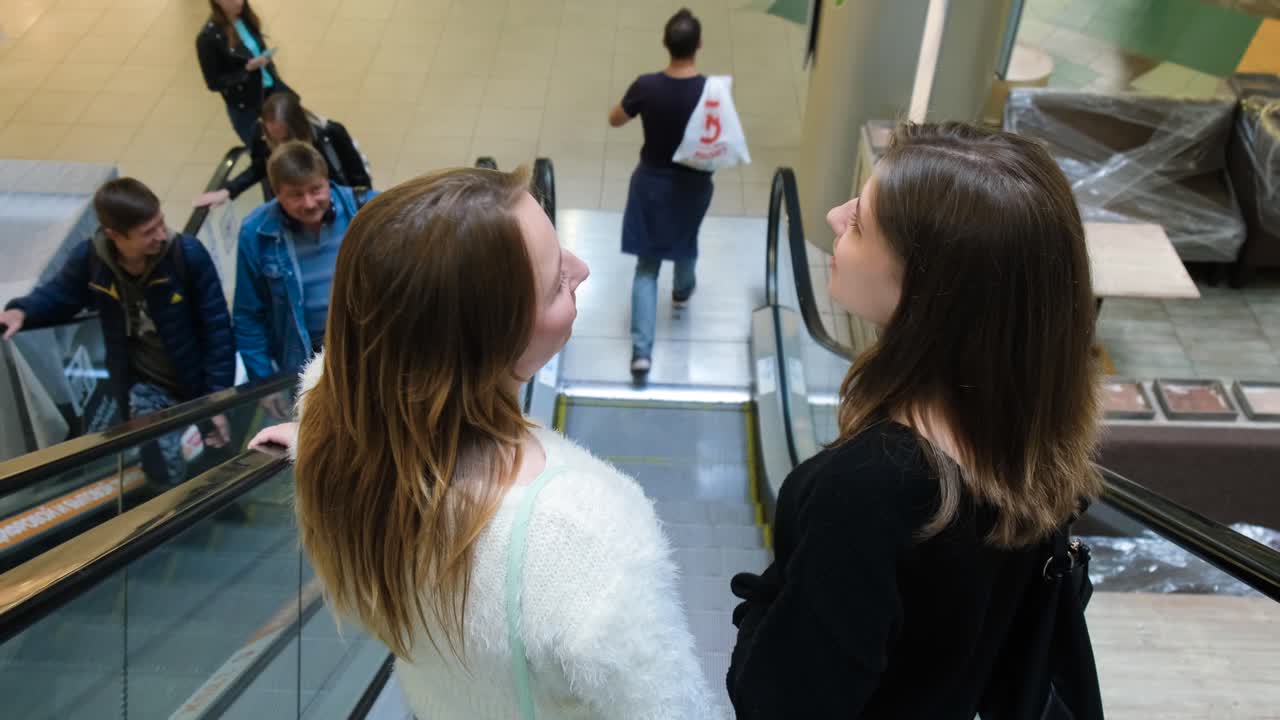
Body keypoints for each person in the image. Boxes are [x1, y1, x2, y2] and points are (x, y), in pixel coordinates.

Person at [248, 168, 715, 718]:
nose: (583, 268)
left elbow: (358, 422)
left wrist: (313, 440)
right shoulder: (584, 534)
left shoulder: (342, 423)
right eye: (557, 285)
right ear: (488, 344)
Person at [726, 122, 1103, 718]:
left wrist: (763, 605)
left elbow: (779, 702)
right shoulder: (1030, 435)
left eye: (859, 224)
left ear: (924, 292)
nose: (831, 216)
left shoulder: (873, 492)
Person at [1, 179, 235, 484]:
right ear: (115, 236)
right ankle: (168, 508)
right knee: (159, 463)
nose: (161, 236)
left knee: (213, 460)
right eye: (148, 232)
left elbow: (217, 329)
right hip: (142, 387)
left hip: (195, 384)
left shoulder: (186, 255)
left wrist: (216, 400)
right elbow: (61, 295)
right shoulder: (92, 260)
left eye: (161, 223)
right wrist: (22, 310)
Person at [608, 8, 714, 376]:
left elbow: (616, 117)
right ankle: (683, 291)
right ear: (698, 45)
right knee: (687, 241)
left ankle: (641, 352)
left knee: (647, 265)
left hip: (651, 182)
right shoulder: (709, 92)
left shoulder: (646, 87)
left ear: (665, 44)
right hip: (693, 184)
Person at [233, 141, 374, 398]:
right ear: (276, 193)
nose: (309, 203)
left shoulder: (368, 211)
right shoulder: (256, 233)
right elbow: (248, 317)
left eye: (316, 189)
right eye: (296, 195)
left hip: (368, 351)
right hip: (303, 364)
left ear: (327, 180)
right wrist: (264, 386)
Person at [193, 92, 370, 208]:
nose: (280, 148)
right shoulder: (261, 135)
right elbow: (257, 168)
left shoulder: (329, 134)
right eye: (273, 140)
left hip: (336, 207)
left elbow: (359, 178)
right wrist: (228, 191)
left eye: (286, 139)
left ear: (299, 127)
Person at [197, 0, 291, 144]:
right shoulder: (208, 38)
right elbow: (214, 83)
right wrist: (246, 70)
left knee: (294, 140)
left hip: (271, 91)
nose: (239, 2)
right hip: (247, 106)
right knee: (266, 150)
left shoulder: (245, 18)